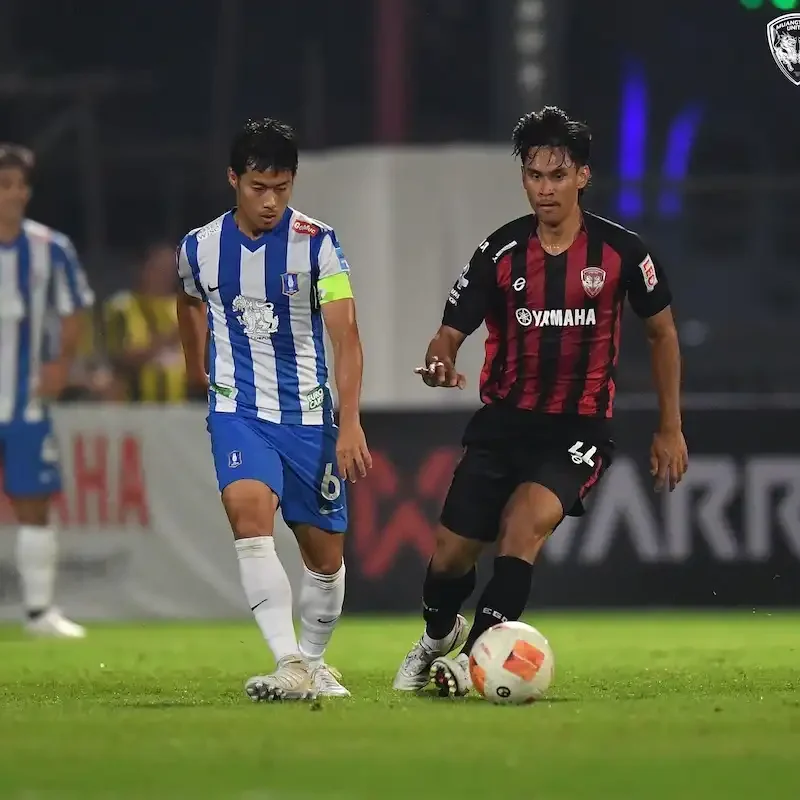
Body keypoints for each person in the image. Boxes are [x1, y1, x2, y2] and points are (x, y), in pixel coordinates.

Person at [393, 106, 688, 696]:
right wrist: (439, 361)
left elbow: (662, 334)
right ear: (524, 178)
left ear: (583, 175)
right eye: (534, 175)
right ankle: (438, 636)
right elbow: (448, 333)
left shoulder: (623, 253)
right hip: (503, 424)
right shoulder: (500, 251)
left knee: (524, 530)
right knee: (449, 557)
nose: (545, 189)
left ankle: (472, 662)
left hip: (578, 429)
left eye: (558, 175)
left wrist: (670, 427)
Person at [176, 119, 371, 701]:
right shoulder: (199, 247)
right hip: (238, 409)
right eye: (258, 187)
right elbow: (188, 300)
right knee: (247, 512)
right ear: (233, 179)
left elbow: (346, 337)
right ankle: (287, 661)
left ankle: (312, 662)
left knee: (325, 556)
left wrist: (350, 422)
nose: (270, 201)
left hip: (309, 417)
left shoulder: (319, 244)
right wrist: (195, 366)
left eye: (281, 188)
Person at [0, 143, 94, 637]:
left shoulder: (49, 248)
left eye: (21, 185)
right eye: (5, 185)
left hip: (26, 401)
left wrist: (60, 364)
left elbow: (74, 307)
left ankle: (39, 612)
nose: (15, 194)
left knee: (34, 502)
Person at [105, 242, 192, 403]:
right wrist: (167, 340)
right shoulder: (122, 307)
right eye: (159, 268)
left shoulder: (186, 308)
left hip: (185, 407)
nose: (165, 275)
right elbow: (120, 358)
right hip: (136, 404)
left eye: (170, 269)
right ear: (142, 268)